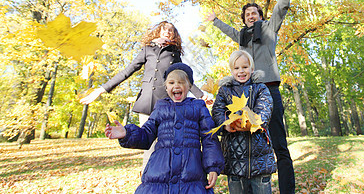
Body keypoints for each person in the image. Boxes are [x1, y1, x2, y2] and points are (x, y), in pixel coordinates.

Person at [206, 0, 302, 193]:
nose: (251, 15)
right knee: (248, 140)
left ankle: (287, 190)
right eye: (247, 13)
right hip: (246, 94)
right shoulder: (242, 37)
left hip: (269, 89)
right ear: (244, 18)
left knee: (279, 143)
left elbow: (282, 5)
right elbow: (229, 30)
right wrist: (215, 20)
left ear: (260, 16)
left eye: (255, 13)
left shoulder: (268, 30)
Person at [80, 21, 203, 170]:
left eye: (171, 30)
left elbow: (183, 76)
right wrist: (102, 89)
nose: (168, 32)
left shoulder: (174, 53)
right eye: (164, 29)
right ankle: (147, 179)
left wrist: (200, 95)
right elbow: (127, 71)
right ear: (158, 32)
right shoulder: (147, 49)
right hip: (147, 102)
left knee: (167, 143)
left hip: (166, 103)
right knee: (148, 144)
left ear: (174, 34)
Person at [105, 63, 224, 194]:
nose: (176, 86)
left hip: (190, 172)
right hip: (160, 171)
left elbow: (209, 138)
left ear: (189, 86)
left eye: (181, 82)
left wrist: (213, 167)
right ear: (166, 87)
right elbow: (146, 134)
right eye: (171, 82)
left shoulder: (198, 107)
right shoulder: (160, 108)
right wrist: (126, 133)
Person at [212, 50, 275, 194]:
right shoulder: (224, 91)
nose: (241, 71)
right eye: (237, 68)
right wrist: (226, 124)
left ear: (252, 69)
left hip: (260, 158)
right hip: (235, 159)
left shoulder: (261, 88)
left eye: (245, 67)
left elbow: (265, 109)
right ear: (231, 70)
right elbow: (217, 112)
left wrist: (253, 124)